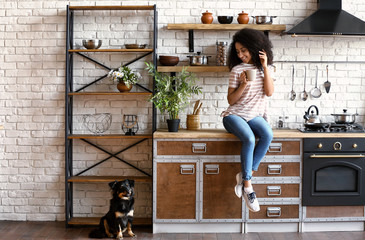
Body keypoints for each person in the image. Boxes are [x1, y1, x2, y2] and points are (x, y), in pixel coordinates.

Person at [221, 28, 275, 212]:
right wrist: (243, 84)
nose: (241, 55)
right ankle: (248, 187)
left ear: (255, 47)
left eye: (244, 50)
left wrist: (265, 67)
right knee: (250, 139)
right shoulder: (237, 70)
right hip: (234, 116)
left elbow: (269, 92)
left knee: (267, 135)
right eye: (237, 52)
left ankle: (244, 176)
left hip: (254, 116)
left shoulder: (266, 70)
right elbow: (231, 101)